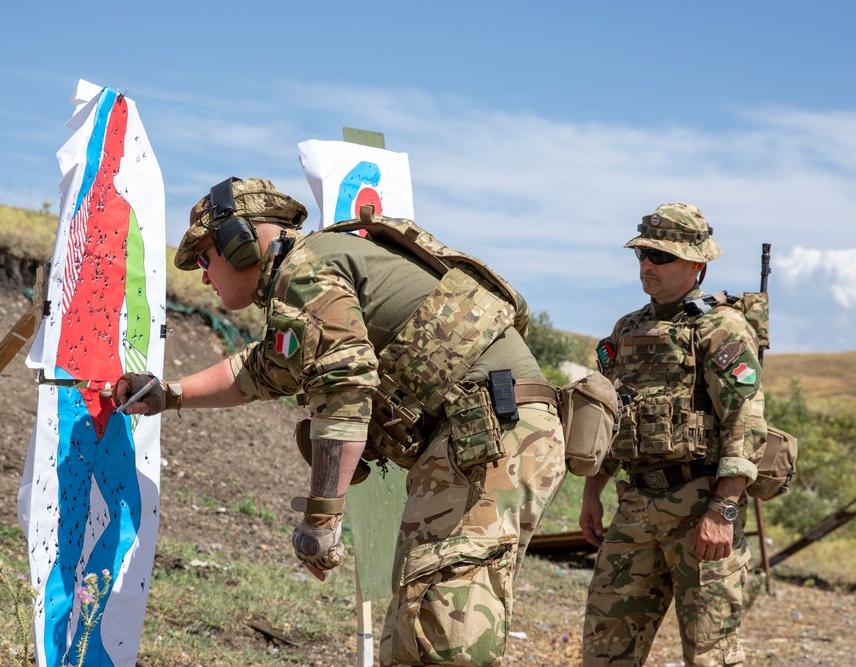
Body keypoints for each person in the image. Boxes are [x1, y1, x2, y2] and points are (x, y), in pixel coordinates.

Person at [112, 177, 567, 667]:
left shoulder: (305, 272)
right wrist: (169, 394)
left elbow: (345, 391)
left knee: (447, 632)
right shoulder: (314, 273)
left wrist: (321, 517)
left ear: (240, 243)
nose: (203, 276)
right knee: (418, 627)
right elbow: (258, 369)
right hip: (486, 432)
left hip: (489, 432)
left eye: (205, 257)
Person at [579, 202, 768, 667]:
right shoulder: (627, 328)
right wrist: (592, 491)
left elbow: (746, 420)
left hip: (699, 504)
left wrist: (723, 509)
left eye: (660, 257)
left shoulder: (720, 325)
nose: (647, 265)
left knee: (711, 655)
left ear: (696, 264)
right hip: (636, 506)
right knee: (605, 650)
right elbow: (610, 415)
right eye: (642, 254)